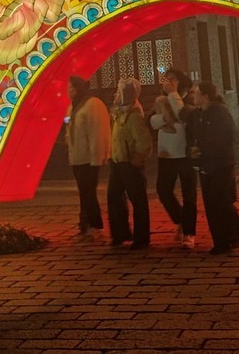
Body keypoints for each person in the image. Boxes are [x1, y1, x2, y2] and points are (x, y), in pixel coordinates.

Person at [188, 79, 239, 255]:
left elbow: (226, 137)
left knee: (220, 201)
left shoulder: (219, 112)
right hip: (204, 164)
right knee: (211, 205)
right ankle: (220, 241)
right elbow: (192, 134)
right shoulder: (197, 114)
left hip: (221, 164)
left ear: (205, 96)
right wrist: (193, 151)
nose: (193, 96)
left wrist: (204, 149)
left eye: (196, 93)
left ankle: (233, 233)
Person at [151, 68, 198, 249]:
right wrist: (164, 119)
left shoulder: (188, 99)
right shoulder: (160, 100)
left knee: (189, 195)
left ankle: (189, 233)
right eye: (166, 79)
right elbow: (151, 121)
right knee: (163, 190)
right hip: (166, 154)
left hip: (185, 154)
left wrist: (173, 95)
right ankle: (180, 220)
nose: (169, 82)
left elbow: (183, 115)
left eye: (173, 79)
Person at [107, 77, 152, 249]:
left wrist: (135, 160)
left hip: (130, 164)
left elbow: (143, 142)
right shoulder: (119, 114)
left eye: (118, 92)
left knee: (138, 201)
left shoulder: (133, 116)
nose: (115, 95)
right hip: (117, 163)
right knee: (114, 198)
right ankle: (120, 233)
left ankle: (142, 238)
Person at [66, 75, 111, 240]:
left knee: (88, 192)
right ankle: (85, 225)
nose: (69, 91)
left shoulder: (92, 104)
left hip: (88, 158)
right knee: (83, 192)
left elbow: (96, 132)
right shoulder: (73, 107)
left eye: (71, 88)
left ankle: (96, 225)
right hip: (77, 157)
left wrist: (97, 157)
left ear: (78, 89)